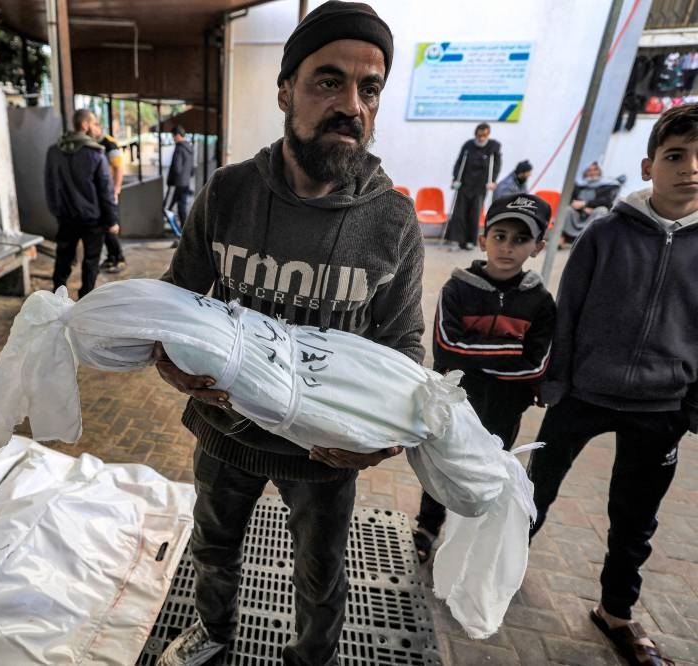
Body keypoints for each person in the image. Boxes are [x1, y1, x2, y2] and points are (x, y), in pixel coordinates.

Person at [154, 3, 424, 665]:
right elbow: (174, 301)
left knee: (320, 573)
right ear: (286, 90)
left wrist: (380, 435)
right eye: (328, 82)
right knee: (212, 549)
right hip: (225, 433)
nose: (351, 104)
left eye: (369, 89)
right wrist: (168, 362)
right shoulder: (227, 194)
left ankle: (314, 658)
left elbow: (405, 345)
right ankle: (214, 634)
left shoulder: (393, 222)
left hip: (322, 456)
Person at [528, 103, 698, 666]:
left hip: (661, 406)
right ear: (650, 166)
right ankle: (494, 574)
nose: (690, 167)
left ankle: (615, 613)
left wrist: (691, 407)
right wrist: (555, 383)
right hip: (582, 393)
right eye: (676, 155)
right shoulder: (605, 233)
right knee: (533, 493)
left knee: (634, 519)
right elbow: (567, 312)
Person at [412, 193, 556, 562]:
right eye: (500, 236)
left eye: (521, 240)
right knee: (444, 462)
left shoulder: (540, 302)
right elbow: (446, 348)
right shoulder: (457, 289)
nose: (507, 247)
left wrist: (474, 352)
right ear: (483, 239)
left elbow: (535, 365)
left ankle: (468, 538)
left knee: (487, 469)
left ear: (538, 247)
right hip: (458, 403)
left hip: (507, 409)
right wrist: (510, 349)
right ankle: (428, 526)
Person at [44, 108, 120, 298]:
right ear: (85, 125)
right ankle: (85, 298)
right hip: (92, 220)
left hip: (66, 218)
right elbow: (106, 191)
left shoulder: (54, 151)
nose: (97, 128)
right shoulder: (95, 153)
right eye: (94, 123)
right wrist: (112, 220)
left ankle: (56, 297)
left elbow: (49, 184)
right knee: (91, 261)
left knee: (63, 257)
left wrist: (57, 211)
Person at [445, 122, 502, 250]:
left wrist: (493, 180)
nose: (481, 138)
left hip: (480, 186)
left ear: (488, 135)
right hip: (465, 184)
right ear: (476, 134)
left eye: (484, 135)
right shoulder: (468, 145)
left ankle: (470, 241)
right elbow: (459, 162)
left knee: (475, 213)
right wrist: (455, 179)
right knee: (459, 213)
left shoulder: (494, 146)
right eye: (479, 135)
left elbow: (496, 165)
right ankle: (456, 240)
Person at [90, 117, 128, 274]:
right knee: (105, 228)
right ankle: (112, 256)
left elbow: (119, 168)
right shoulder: (93, 143)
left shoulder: (109, 143)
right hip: (100, 194)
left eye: (91, 126)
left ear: (98, 127)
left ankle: (119, 259)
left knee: (110, 227)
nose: (89, 130)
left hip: (109, 193)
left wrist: (116, 190)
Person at [559, 161, 621, 247]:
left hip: (594, 212)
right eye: (589, 170)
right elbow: (570, 199)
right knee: (567, 210)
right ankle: (564, 238)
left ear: (599, 171)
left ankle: (591, 242)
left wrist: (586, 204)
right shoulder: (579, 185)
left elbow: (607, 201)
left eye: (595, 170)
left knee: (601, 211)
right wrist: (582, 208)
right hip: (579, 212)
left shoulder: (608, 185)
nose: (592, 172)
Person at [166, 125, 195, 225]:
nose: (173, 139)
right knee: (181, 206)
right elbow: (191, 169)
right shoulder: (189, 148)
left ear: (178, 135)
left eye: (173, 136)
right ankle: (184, 230)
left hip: (178, 183)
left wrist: (171, 181)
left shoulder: (179, 148)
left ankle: (184, 231)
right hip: (186, 181)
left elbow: (176, 167)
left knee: (170, 208)